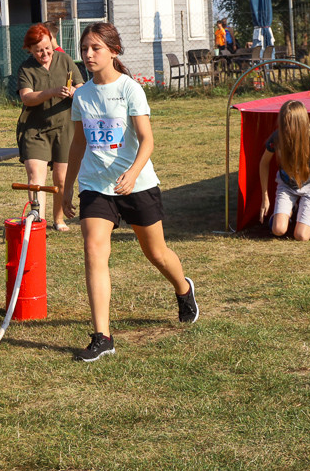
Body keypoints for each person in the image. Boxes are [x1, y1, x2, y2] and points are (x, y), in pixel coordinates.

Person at [63, 23, 199, 363]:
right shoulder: (81, 95)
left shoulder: (130, 89)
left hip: (136, 184)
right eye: (84, 49)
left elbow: (147, 140)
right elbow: (78, 143)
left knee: (156, 252)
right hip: (96, 186)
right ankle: (102, 336)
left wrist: (133, 172)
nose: (88, 55)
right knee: (94, 251)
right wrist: (65, 189)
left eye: (95, 48)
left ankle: (183, 288)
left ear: (113, 51)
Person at [16, 23, 84, 231]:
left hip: (65, 129)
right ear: (30, 50)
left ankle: (59, 219)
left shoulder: (65, 60)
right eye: (38, 50)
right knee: (36, 177)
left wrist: (73, 92)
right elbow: (27, 97)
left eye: (47, 48)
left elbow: (81, 88)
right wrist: (52, 91)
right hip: (35, 130)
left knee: (62, 179)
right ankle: (38, 222)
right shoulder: (26, 69)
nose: (44, 53)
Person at [257, 100, 310, 240]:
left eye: (289, 124)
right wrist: (265, 198)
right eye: (283, 123)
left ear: (299, 123)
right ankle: (290, 210)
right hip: (287, 185)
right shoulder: (277, 137)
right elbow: (264, 163)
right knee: (278, 230)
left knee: (301, 236)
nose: (285, 128)